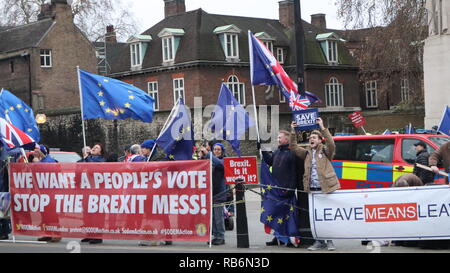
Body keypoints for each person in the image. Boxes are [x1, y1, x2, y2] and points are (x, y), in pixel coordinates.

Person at [289, 118, 340, 251]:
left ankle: (329, 241)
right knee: (315, 218)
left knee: (326, 216)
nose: (311, 139)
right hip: (312, 190)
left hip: (325, 189)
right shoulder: (306, 152)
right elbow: (293, 147)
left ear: (319, 140)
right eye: (310, 137)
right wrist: (293, 130)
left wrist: (322, 127)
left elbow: (332, 144)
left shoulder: (325, 151)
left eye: (314, 137)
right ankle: (318, 242)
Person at [260, 129, 302, 247]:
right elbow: (269, 161)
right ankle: (277, 237)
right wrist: (262, 148)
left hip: (286, 189)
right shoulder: (277, 151)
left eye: (280, 138)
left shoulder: (292, 153)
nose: (278, 139)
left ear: (287, 139)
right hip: (276, 188)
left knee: (287, 215)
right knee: (276, 213)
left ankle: (288, 238)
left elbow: (294, 173)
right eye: (278, 137)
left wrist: (291, 188)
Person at [199, 142, 227, 245]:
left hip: (219, 191)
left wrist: (208, 153)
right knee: (213, 217)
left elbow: (219, 164)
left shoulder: (223, 160)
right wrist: (202, 157)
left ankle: (221, 236)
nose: (216, 151)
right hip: (210, 191)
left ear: (222, 151)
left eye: (219, 149)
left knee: (218, 216)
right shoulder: (211, 159)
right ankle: (215, 235)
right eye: (215, 149)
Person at [80, 143, 106, 244]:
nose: (94, 148)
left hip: (97, 191)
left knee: (97, 214)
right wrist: (85, 158)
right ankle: (89, 233)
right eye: (93, 147)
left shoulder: (101, 159)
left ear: (100, 151)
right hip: (87, 190)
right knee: (87, 214)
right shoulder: (88, 158)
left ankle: (98, 236)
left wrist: (87, 158)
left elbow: (93, 167)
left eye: (96, 148)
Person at [34, 145, 60, 243]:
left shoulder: (50, 160)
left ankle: (56, 234)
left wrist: (37, 164)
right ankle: (46, 233)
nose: (34, 153)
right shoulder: (39, 160)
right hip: (41, 192)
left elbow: (50, 170)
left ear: (42, 152)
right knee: (43, 214)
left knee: (52, 214)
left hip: (51, 192)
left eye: (36, 151)